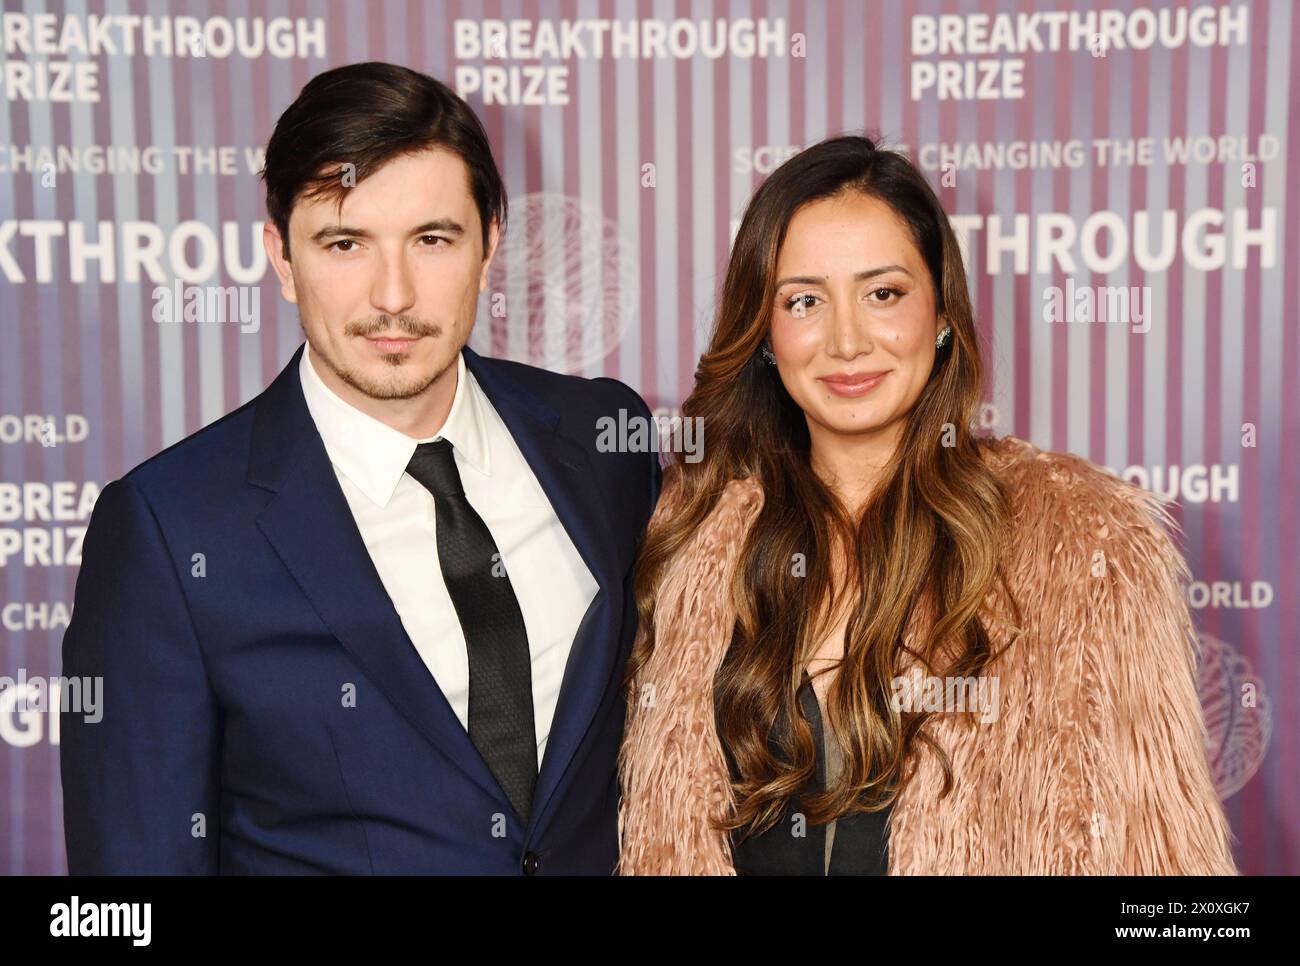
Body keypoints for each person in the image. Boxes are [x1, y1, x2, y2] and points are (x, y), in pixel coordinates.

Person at [60, 62, 660, 875]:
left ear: (489, 247)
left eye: (432, 239)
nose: (393, 295)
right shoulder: (171, 530)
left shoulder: (601, 442)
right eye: (345, 243)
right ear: (281, 257)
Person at [616, 134, 1238, 875]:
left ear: (942, 315)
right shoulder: (692, 541)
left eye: (883, 294)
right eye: (805, 300)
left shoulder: (1081, 548)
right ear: (766, 334)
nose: (846, 341)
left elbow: (1161, 873)